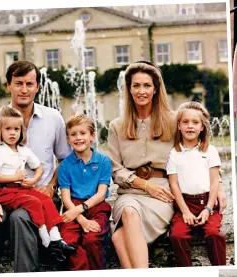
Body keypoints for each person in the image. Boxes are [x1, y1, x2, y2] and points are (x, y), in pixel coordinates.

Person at [107, 61, 227, 269]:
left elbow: (197, 153)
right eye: (136, 85)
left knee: (119, 236)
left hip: (163, 192)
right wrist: (144, 185)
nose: (141, 91)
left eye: (147, 85)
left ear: (155, 89)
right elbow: (115, 169)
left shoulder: (173, 121)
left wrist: (220, 186)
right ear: (129, 89)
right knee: (127, 214)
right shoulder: (117, 125)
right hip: (130, 191)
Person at [0, 60, 72, 273]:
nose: (24, 89)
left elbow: (66, 160)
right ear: (8, 86)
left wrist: (51, 185)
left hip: (40, 196)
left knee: (20, 218)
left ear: (38, 87)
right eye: (18, 83)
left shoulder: (53, 119)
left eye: (29, 84)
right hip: (4, 195)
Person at [0, 106, 75, 253]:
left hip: (20, 189)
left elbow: (39, 168)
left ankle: (56, 238)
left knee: (45, 199)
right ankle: (46, 241)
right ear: (0, 132)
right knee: (34, 202)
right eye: (8, 129)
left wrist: (34, 180)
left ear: (21, 131)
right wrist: (14, 177)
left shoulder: (23, 150)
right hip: (3, 192)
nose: (12, 133)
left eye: (16, 129)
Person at [166, 101, 226, 266]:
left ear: (202, 127)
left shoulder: (210, 151)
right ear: (178, 126)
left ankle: (220, 270)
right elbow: (174, 185)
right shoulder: (174, 153)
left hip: (207, 202)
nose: (190, 126)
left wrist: (208, 208)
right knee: (177, 236)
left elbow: (214, 182)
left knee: (213, 234)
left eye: (195, 122)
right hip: (185, 204)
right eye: (185, 122)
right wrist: (185, 212)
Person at [58, 114, 112, 270]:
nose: (78, 138)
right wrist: (81, 219)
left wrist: (80, 210)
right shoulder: (65, 166)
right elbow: (66, 198)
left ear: (92, 136)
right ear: (68, 139)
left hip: (96, 207)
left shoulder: (103, 161)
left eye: (83, 133)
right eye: (73, 134)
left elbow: (101, 194)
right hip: (72, 207)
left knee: (91, 239)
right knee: (67, 241)